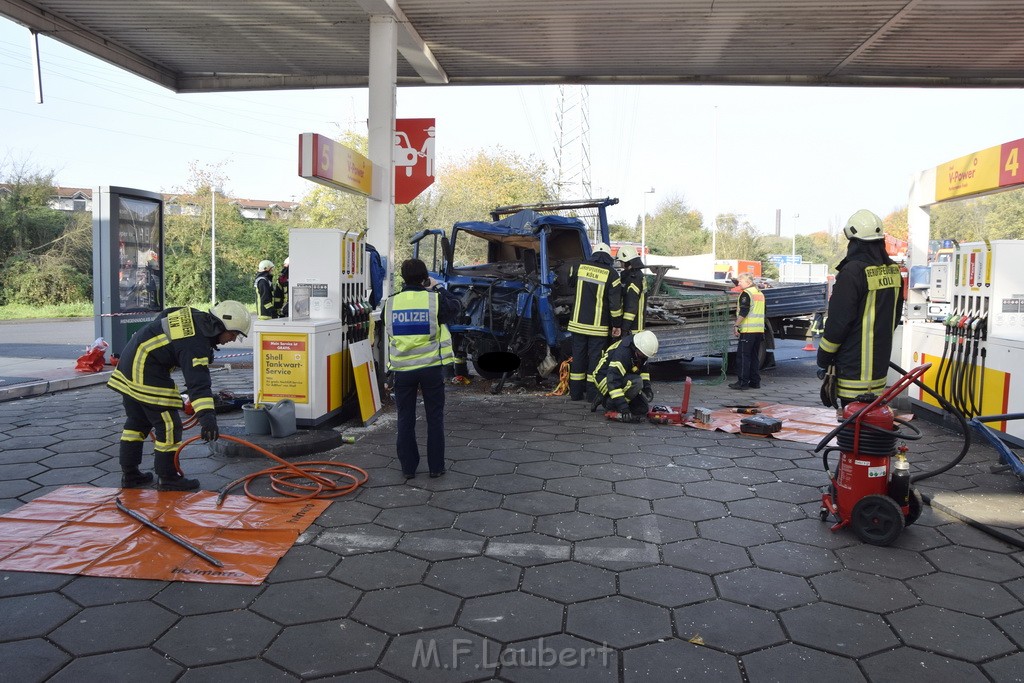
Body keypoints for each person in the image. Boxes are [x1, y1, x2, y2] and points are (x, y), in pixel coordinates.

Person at [107, 301, 252, 490]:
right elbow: (197, 383)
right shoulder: (195, 341)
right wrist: (208, 418)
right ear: (220, 326)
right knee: (169, 425)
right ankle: (168, 478)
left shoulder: (194, 317)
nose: (232, 340)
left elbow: (164, 316)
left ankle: (130, 475)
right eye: (233, 334)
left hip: (128, 365)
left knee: (137, 423)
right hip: (145, 370)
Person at [817, 209, 905, 406]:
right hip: (879, 372)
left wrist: (823, 356)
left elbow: (838, 323)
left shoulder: (853, 272)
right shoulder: (893, 272)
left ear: (854, 241)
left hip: (853, 371)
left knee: (853, 430)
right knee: (871, 427)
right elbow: (895, 316)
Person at [383, 258, 461, 479]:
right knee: (434, 418)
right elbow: (455, 307)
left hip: (403, 370)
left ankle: (408, 469)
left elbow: (385, 325)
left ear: (403, 277)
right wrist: (437, 287)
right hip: (430, 368)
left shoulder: (391, 303)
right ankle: (436, 468)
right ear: (424, 277)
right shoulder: (434, 301)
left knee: (405, 418)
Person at [567, 242, 623, 402]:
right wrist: (617, 325)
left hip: (577, 325)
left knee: (578, 357)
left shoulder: (579, 267)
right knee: (595, 361)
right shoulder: (612, 274)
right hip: (597, 328)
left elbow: (569, 282)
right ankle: (592, 395)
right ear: (608, 256)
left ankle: (575, 394)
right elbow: (615, 305)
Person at [592, 330, 659, 422]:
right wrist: (623, 408)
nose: (644, 357)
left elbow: (644, 371)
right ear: (637, 348)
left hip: (621, 376)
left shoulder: (640, 351)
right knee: (636, 382)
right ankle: (610, 404)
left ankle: (606, 398)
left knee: (642, 409)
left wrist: (647, 389)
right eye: (643, 355)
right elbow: (613, 381)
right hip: (605, 378)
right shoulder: (623, 353)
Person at [729, 273, 765, 390]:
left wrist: (736, 325)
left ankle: (742, 382)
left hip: (748, 330)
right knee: (754, 357)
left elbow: (743, 312)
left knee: (743, 357)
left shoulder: (746, 294)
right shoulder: (759, 293)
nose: (739, 283)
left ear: (748, 282)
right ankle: (755, 382)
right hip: (758, 330)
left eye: (741, 281)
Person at [616, 245, 648, 335]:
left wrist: (624, 328)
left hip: (633, 329)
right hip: (635, 327)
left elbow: (631, 307)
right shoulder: (637, 276)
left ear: (627, 261)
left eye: (622, 262)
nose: (621, 265)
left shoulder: (633, 280)